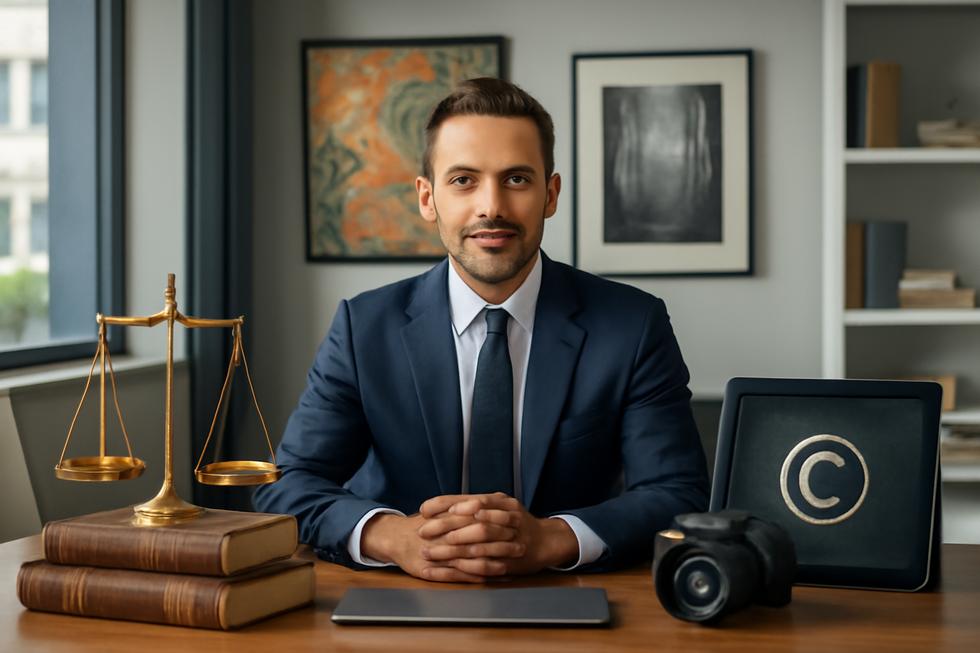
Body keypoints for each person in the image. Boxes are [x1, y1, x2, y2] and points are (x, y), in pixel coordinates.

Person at [253, 77, 708, 582]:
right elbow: (287, 483)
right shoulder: (365, 328)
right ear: (428, 199)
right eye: (463, 180)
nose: (490, 206)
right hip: (399, 595)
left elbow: (677, 492)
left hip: (567, 590)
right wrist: (394, 537)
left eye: (516, 179)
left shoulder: (632, 324)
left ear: (550, 194)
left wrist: (551, 538)